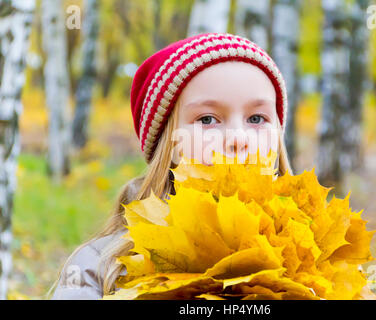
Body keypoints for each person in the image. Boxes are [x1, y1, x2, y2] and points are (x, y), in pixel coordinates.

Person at [49, 32, 292, 300]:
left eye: (257, 118)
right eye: (208, 119)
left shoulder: (310, 257)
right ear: (168, 146)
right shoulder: (99, 268)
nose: (238, 138)